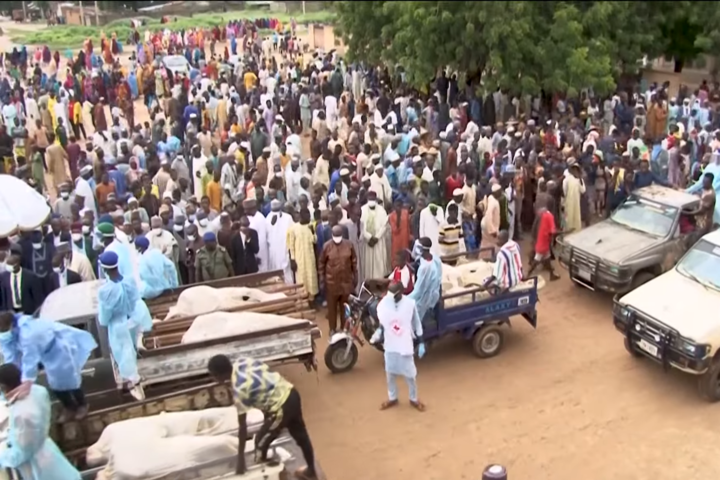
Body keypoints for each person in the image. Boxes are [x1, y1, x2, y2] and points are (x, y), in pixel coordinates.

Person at [207, 355, 318, 480]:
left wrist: (241, 460)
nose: (214, 379)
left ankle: (271, 475)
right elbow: (265, 374)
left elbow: (242, 427)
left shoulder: (239, 390)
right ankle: (311, 472)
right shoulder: (243, 361)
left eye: (214, 376)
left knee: (260, 444)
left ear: (220, 376)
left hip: (281, 407)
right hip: (290, 392)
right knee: (300, 435)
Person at [0, 311, 97, 421]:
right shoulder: (8, 335)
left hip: (59, 349)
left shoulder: (28, 333)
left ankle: (82, 405)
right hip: (45, 354)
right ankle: (69, 406)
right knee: (55, 384)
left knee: (69, 380)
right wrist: (11, 375)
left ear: (12, 325)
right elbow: (11, 357)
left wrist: (27, 381)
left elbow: (30, 359)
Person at [0, 363, 82, 480]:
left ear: (4, 386)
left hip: (40, 465)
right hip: (48, 451)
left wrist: (2, 458)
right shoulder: (36, 391)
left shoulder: (23, 414)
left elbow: (22, 453)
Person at [370, 281, 426, 412]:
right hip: (390, 345)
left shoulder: (410, 304)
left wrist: (421, 341)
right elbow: (383, 323)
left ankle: (414, 399)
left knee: (410, 375)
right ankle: (392, 397)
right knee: (390, 374)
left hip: (405, 345)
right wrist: (379, 332)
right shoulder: (384, 304)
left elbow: (417, 324)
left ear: (401, 293)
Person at [96, 251, 144, 400]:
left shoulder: (105, 291)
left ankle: (136, 390)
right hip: (134, 323)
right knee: (133, 353)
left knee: (125, 359)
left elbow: (104, 319)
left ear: (104, 269)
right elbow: (137, 301)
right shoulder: (129, 281)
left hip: (118, 328)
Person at [318, 224, 358, 334]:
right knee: (332, 309)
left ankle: (344, 328)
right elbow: (321, 263)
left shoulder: (349, 245)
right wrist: (322, 279)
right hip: (331, 283)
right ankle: (332, 329)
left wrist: (355, 275)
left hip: (346, 282)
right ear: (332, 235)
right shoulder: (327, 246)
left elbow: (354, 261)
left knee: (345, 307)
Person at [0, 245, 43, 315]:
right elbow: (4, 295)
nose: (8, 267)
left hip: (28, 311)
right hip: (11, 311)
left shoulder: (30, 277)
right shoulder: (4, 277)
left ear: (17, 264)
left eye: (10, 265)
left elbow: (37, 298)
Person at [407, 237, 442, 322]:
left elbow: (418, 291)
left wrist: (404, 299)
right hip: (436, 292)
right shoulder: (435, 257)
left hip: (425, 299)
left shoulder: (425, 268)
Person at [287, 208, 319, 296]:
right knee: (301, 279)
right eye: (307, 217)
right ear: (301, 216)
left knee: (311, 279)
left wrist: (312, 231)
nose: (309, 218)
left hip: (309, 258)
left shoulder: (310, 226)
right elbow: (291, 246)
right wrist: (292, 259)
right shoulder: (293, 228)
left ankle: (311, 299)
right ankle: (303, 300)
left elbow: (315, 240)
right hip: (299, 258)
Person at [360, 190, 390, 279]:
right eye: (370, 199)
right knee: (367, 262)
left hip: (378, 241)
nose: (371, 201)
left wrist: (376, 237)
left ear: (376, 199)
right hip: (367, 242)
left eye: (373, 199)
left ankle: (379, 280)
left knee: (378, 261)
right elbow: (361, 226)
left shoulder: (381, 210)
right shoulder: (362, 209)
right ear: (367, 199)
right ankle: (368, 281)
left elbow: (384, 226)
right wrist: (369, 237)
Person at [527, 206, 561, 281]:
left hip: (541, 239)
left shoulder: (541, 215)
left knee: (547, 259)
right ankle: (527, 275)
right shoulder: (550, 216)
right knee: (537, 259)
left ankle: (552, 274)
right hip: (544, 242)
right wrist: (559, 232)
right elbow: (553, 231)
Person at [266, 199, 294, 284]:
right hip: (275, 254)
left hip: (284, 251)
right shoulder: (267, 219)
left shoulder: (287, 218)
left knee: (286, 275)